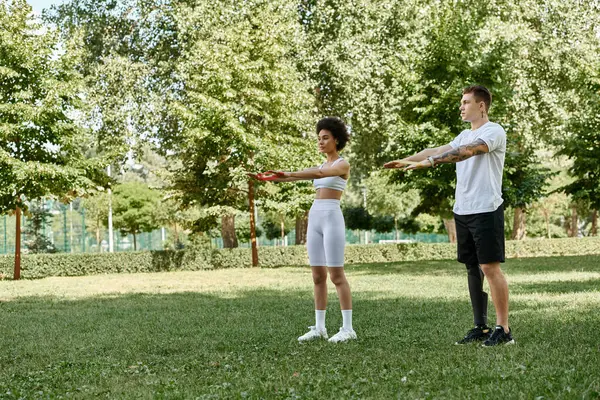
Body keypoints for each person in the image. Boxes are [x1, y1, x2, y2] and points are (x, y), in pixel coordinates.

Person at [384, 85, 514, 347]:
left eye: (466, 102)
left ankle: (504, 329)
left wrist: (431, 163)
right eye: (461, 103)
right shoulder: (464, 133)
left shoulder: (493, 131)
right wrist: (408, 160)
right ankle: (481, 326)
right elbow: (437, 150)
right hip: (463, 209)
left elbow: (467, 152)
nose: (461, 107)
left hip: (486, 208)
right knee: (472, 267)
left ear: (482, 106)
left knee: (490, 267)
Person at [250, 117, 357, 343]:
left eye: (325, 138)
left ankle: (348, 329)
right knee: (318, 276)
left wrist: (289, 174)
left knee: (336, 275)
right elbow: (305, 174)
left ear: (336, 140)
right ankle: (320, 328)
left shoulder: (342, 164)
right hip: (315, 217)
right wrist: (274, 177)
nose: (320, 142)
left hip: (332, 218)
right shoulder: (320, 166)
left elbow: (318, 175)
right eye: (318, 138)